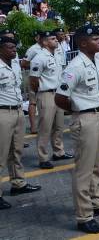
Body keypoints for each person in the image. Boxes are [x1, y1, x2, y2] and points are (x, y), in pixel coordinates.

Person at [54, 25, 99, 234]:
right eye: (94, 38)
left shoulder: (96, 60)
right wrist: (78, 111)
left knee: (97, 165)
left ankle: (97, 202)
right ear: (83, 43)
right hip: (85, 119)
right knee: (83, 169)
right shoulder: (75, 66)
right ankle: (84, 216)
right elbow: (60, 98)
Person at [0, 35, 41, 211]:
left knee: (16, 150)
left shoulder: (15, 63)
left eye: (15, 47)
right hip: (2, 112)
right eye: (10, 47)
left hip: (17, 111)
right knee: (1, 155)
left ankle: (18, 183)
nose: (14, 50)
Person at [29, 30, 72, 169]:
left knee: (58, 126)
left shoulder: (57, 55)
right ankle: (43, 157)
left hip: (58, 93)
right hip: (46, 94)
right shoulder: (39, 57)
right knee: (45, 128)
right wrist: (41, 92)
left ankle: (58, 152)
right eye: (53, 38)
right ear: (45, 42)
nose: (56, 40)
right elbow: (33, 80)